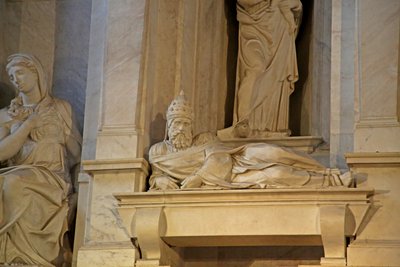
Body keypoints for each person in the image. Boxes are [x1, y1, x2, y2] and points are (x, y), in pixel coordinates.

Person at [149, 91, 352, 190]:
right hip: (227, 180)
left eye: (186, 124)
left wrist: (199, 177)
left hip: (236, 159)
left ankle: (327, 171)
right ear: (169, 127)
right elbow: (155, 176)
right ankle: (329, 182)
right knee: (276, 173)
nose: (182, 129)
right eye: (177, 124)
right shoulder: (158, 152)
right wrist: (160, 180)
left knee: (274, 152)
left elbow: (220, 157)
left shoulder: (203, 139)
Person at [0, 54, 81, 266]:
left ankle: (32, 257)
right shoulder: (7, 115)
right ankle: (14, 255)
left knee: (13, 183)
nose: (15, 79)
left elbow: (76, 154)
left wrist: (82, 189)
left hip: (52, 177)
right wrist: (28, 124)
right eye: (11, 76)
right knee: (9, 182)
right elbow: (1, 153)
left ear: (36, 73)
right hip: (21, 171)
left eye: (20, 72)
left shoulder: (61, 108)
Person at [218, 0, 303, 139]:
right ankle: (243, 121)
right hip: (253, 25)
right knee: (255, 69)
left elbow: (295, 4)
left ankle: (270, 126)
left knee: (276, 76)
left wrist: (292, 6)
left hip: (279, 25)